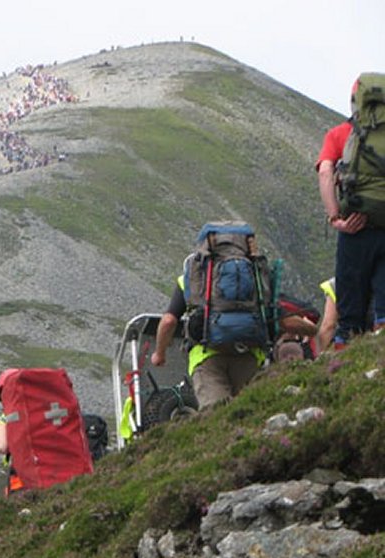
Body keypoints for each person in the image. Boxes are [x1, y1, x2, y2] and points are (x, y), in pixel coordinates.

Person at [151, 228, 316, 409]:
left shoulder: (193, 279)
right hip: (249, 355)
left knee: (215, 415)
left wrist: (159, 354)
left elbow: (168, 321)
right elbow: (283, 320)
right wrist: (315, 331)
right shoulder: (257, 277)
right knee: (248, 415)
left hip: (206, 357)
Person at [316, 80, 385, 347]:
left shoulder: (341, 134)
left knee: (349, 317)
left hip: (355, 230)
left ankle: (343, 370)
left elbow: (325, 173)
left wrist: (336, 218)